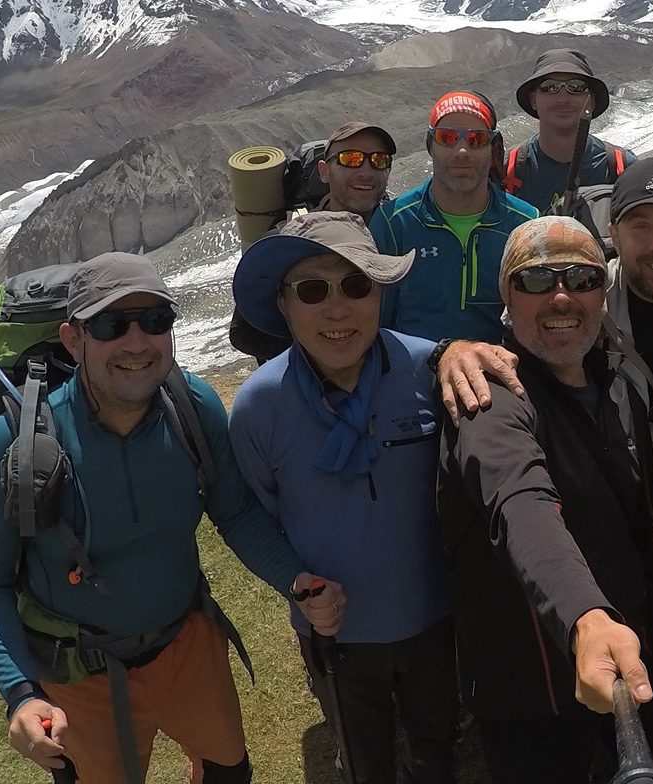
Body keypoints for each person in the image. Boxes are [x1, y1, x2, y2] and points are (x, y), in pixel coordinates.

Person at [0, 252, 340, 784]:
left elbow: (235, 513)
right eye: (113, 325)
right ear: (74, 340)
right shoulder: (13, 445)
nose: (138, 343)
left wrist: (294, 579)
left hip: (185, 641)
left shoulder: (194, 406)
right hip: (79, 672)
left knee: (229, 772)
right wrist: (20, 693)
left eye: (156, 322)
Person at [437, 216, 653, 782]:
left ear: (604, 289)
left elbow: (636, 527)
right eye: (535, 280)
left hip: (627, 645)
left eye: (581, 277)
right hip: (531, 681)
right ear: (505, 297)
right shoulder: (490, 401)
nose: (561, 296)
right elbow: (520, 501)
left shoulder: (617, 384)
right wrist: (586, 621)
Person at [225, 212, 457, 784]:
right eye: (311, 289)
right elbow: (254, 513)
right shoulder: (258, 407)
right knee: (362, 760)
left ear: (379, 293)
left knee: (438, 748)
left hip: (436, 618)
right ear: (283, 305)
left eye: (357, 284)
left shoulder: (432, 369)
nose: (337, 308)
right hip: (335, 633)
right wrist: (297, 582)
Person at [371, 90, 540, 343]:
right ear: (430, 145)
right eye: (447, 138)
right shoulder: (393, 223)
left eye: (476, 139)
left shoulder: (525, 224)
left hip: (500, 375)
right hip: (413, 375)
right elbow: (375, 323)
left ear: (492, 148)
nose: (462, 151)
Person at [230, 121, 399, 364]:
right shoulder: (288, 240)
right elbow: (248, 335)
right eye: (350, 159)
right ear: (324, 171)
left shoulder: (399, 231)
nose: (366, 171)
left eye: (379, 160)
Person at [506, 49, 637, 214]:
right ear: (533, 100)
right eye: (549, 87)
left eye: (576, 87)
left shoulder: (622, 169)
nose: (563, 99)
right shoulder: (506, 170)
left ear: (591, 100)